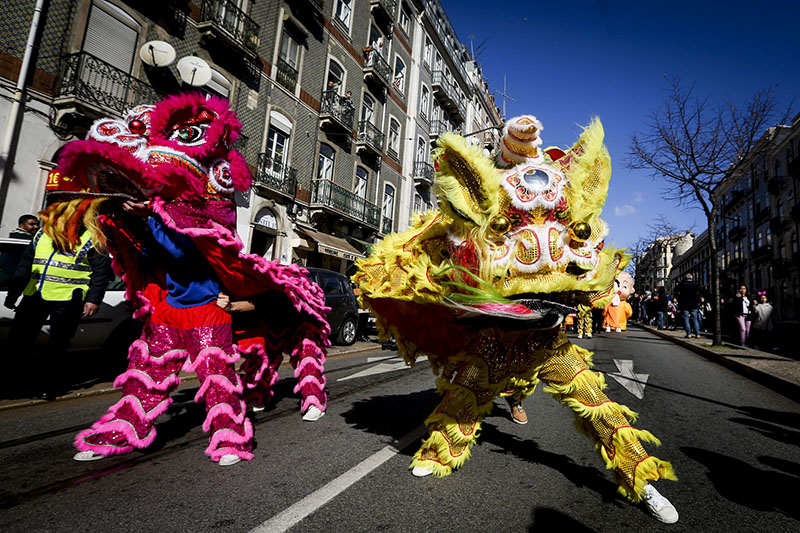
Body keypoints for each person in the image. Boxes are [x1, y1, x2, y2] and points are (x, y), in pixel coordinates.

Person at [3, 199, 113, 400]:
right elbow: (25, 265)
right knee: (17, 341)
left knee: (57, 345)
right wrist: (13, 293)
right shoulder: (42, 235)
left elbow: (101, 272)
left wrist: (93, 300)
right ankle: (11, 384)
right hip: (34, 296)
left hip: (68, 299)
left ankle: (51, 387)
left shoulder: (91, 238)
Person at [675, 273, 701, 338]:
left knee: (686, 319)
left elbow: (676, 290)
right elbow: (698, 294)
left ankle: (688, 333)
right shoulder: (695, 284)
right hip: (694, 304)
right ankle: (698, 334)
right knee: (695, 319)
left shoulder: (682, 284)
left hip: (685, 304)